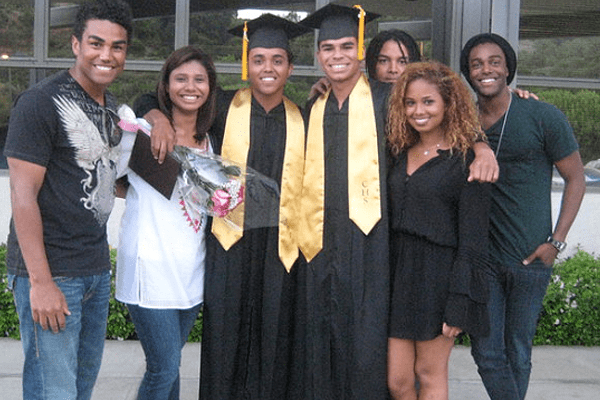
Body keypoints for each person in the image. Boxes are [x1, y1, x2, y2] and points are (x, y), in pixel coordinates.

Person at [134, 14, 309, 400]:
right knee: (223, 345)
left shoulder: (306, 118)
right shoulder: (224, 109)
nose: (268, 68)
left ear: (291, 68)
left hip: (279, 255)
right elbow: (159, 96)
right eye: (259, 58)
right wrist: (156, 116)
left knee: (273, 345)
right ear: (247, 64)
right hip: (227, 251)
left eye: (277, 60)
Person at [3, 0, 132, 398]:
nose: (106, 55)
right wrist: (40, 282)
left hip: (93, 268)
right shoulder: (40, 102)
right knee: (52, 392)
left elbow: (107, 179)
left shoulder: (110, 108)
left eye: (117, 46)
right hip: (53, 271)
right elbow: (23, 196)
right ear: (76, 44)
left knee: (77, 389)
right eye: (96, 43)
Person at [460, 33, 586, 400]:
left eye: (494, 61)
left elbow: (576, 178)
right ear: (469, 73)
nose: (486, 70)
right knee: (486, 352)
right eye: (477, 64)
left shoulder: (541, 114)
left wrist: (556, 242)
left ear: (508, 67)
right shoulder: (463, 120)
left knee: (518, 352)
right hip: (483, 258)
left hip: (530, 259)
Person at [292, 5, 391, 399]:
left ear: (360, 51)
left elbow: (442, 124)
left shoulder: (390, 101)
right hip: (319, 247)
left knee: (366, 347)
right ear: (318, 56)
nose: (337, 55)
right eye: (328, 48)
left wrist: (480, 143)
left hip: (373, 246)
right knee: (319, 345)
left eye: (346, 46)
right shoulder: (311, 108)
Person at [115, 45, 217, 400]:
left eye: (199, 79)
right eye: (181, 78)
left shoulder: (210, 141)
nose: (191, 87)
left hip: (192, 272)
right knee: (163, 369)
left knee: (170, 368)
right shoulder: (142, 132)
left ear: (210, 87)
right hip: (150, 268)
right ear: (167, 85)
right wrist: (155, 118)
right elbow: (109, 179)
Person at [386, 61, 491, 400]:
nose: (419, 111)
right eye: (410, 102)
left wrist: (460, 301)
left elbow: (474, 241)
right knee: (398, 381)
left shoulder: (467, 163)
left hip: (438, 277)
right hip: (397, 274)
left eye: (429, 101)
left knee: (429, 374)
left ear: (448, 104)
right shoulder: (399, 152)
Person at [309, 28, 421, 96]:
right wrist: (319, 100)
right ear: (372, 64)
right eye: (383, 61)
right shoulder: (357, 101)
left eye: (402, 62)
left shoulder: (420, 108)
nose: (393, 69)